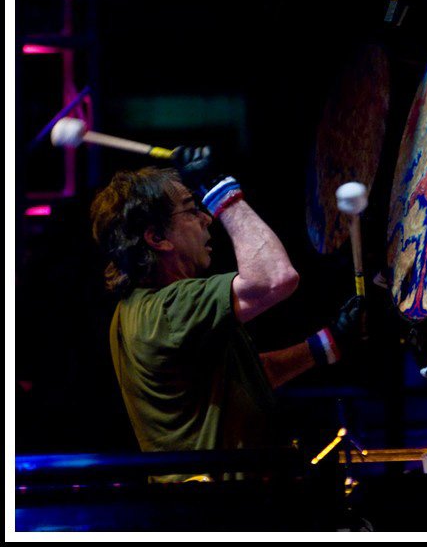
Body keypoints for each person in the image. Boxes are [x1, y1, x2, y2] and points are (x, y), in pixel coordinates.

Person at [89, 148, 363, 479]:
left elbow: (246, 377)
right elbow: (275, 278)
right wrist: (221, 192)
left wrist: (332, 340)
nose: (206, 219)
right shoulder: (168, 310)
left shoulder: (142, 310)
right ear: (157, 238)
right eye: (191, 210)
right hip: (219, 504)